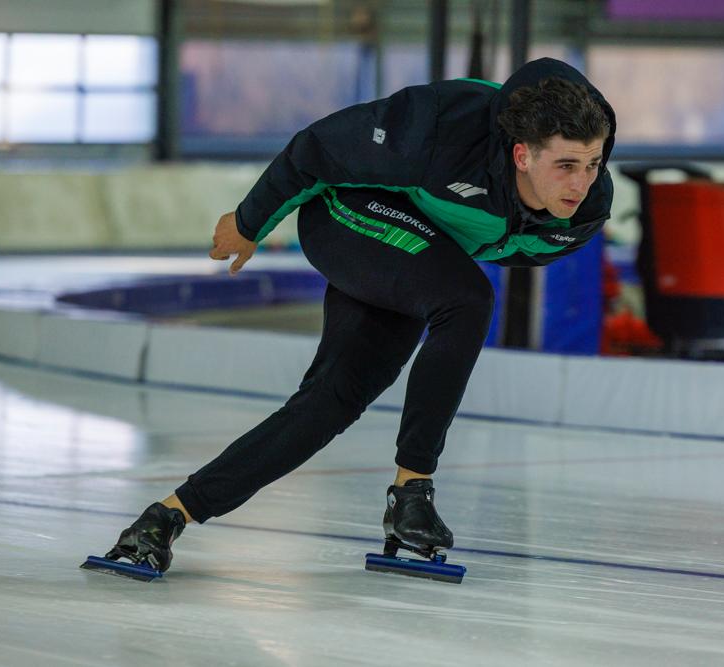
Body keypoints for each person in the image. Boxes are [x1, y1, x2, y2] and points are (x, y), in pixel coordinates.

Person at [92, 57, 616, 576]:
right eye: (566, 166)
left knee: (332, 400)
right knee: (468, 299)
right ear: (522, 155)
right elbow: (316, 149)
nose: (582, 183)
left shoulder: (587, 210)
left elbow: (498, 243)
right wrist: (250, 222)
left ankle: (165, 518)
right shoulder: (441, 127)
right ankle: (412, 492)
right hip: (347, 213)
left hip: (419, 245)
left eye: (593, 164)